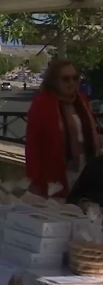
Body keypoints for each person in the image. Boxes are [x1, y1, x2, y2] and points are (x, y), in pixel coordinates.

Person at [26, 58, 102, 197]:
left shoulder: (82, 101)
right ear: (54, 81)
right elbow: (32, 143)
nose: (71, 82)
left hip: (85, 171)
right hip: (56, 176)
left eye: (75, 78)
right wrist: (36, 178)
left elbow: (89, 133)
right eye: (65, 79)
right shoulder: (42, 104)